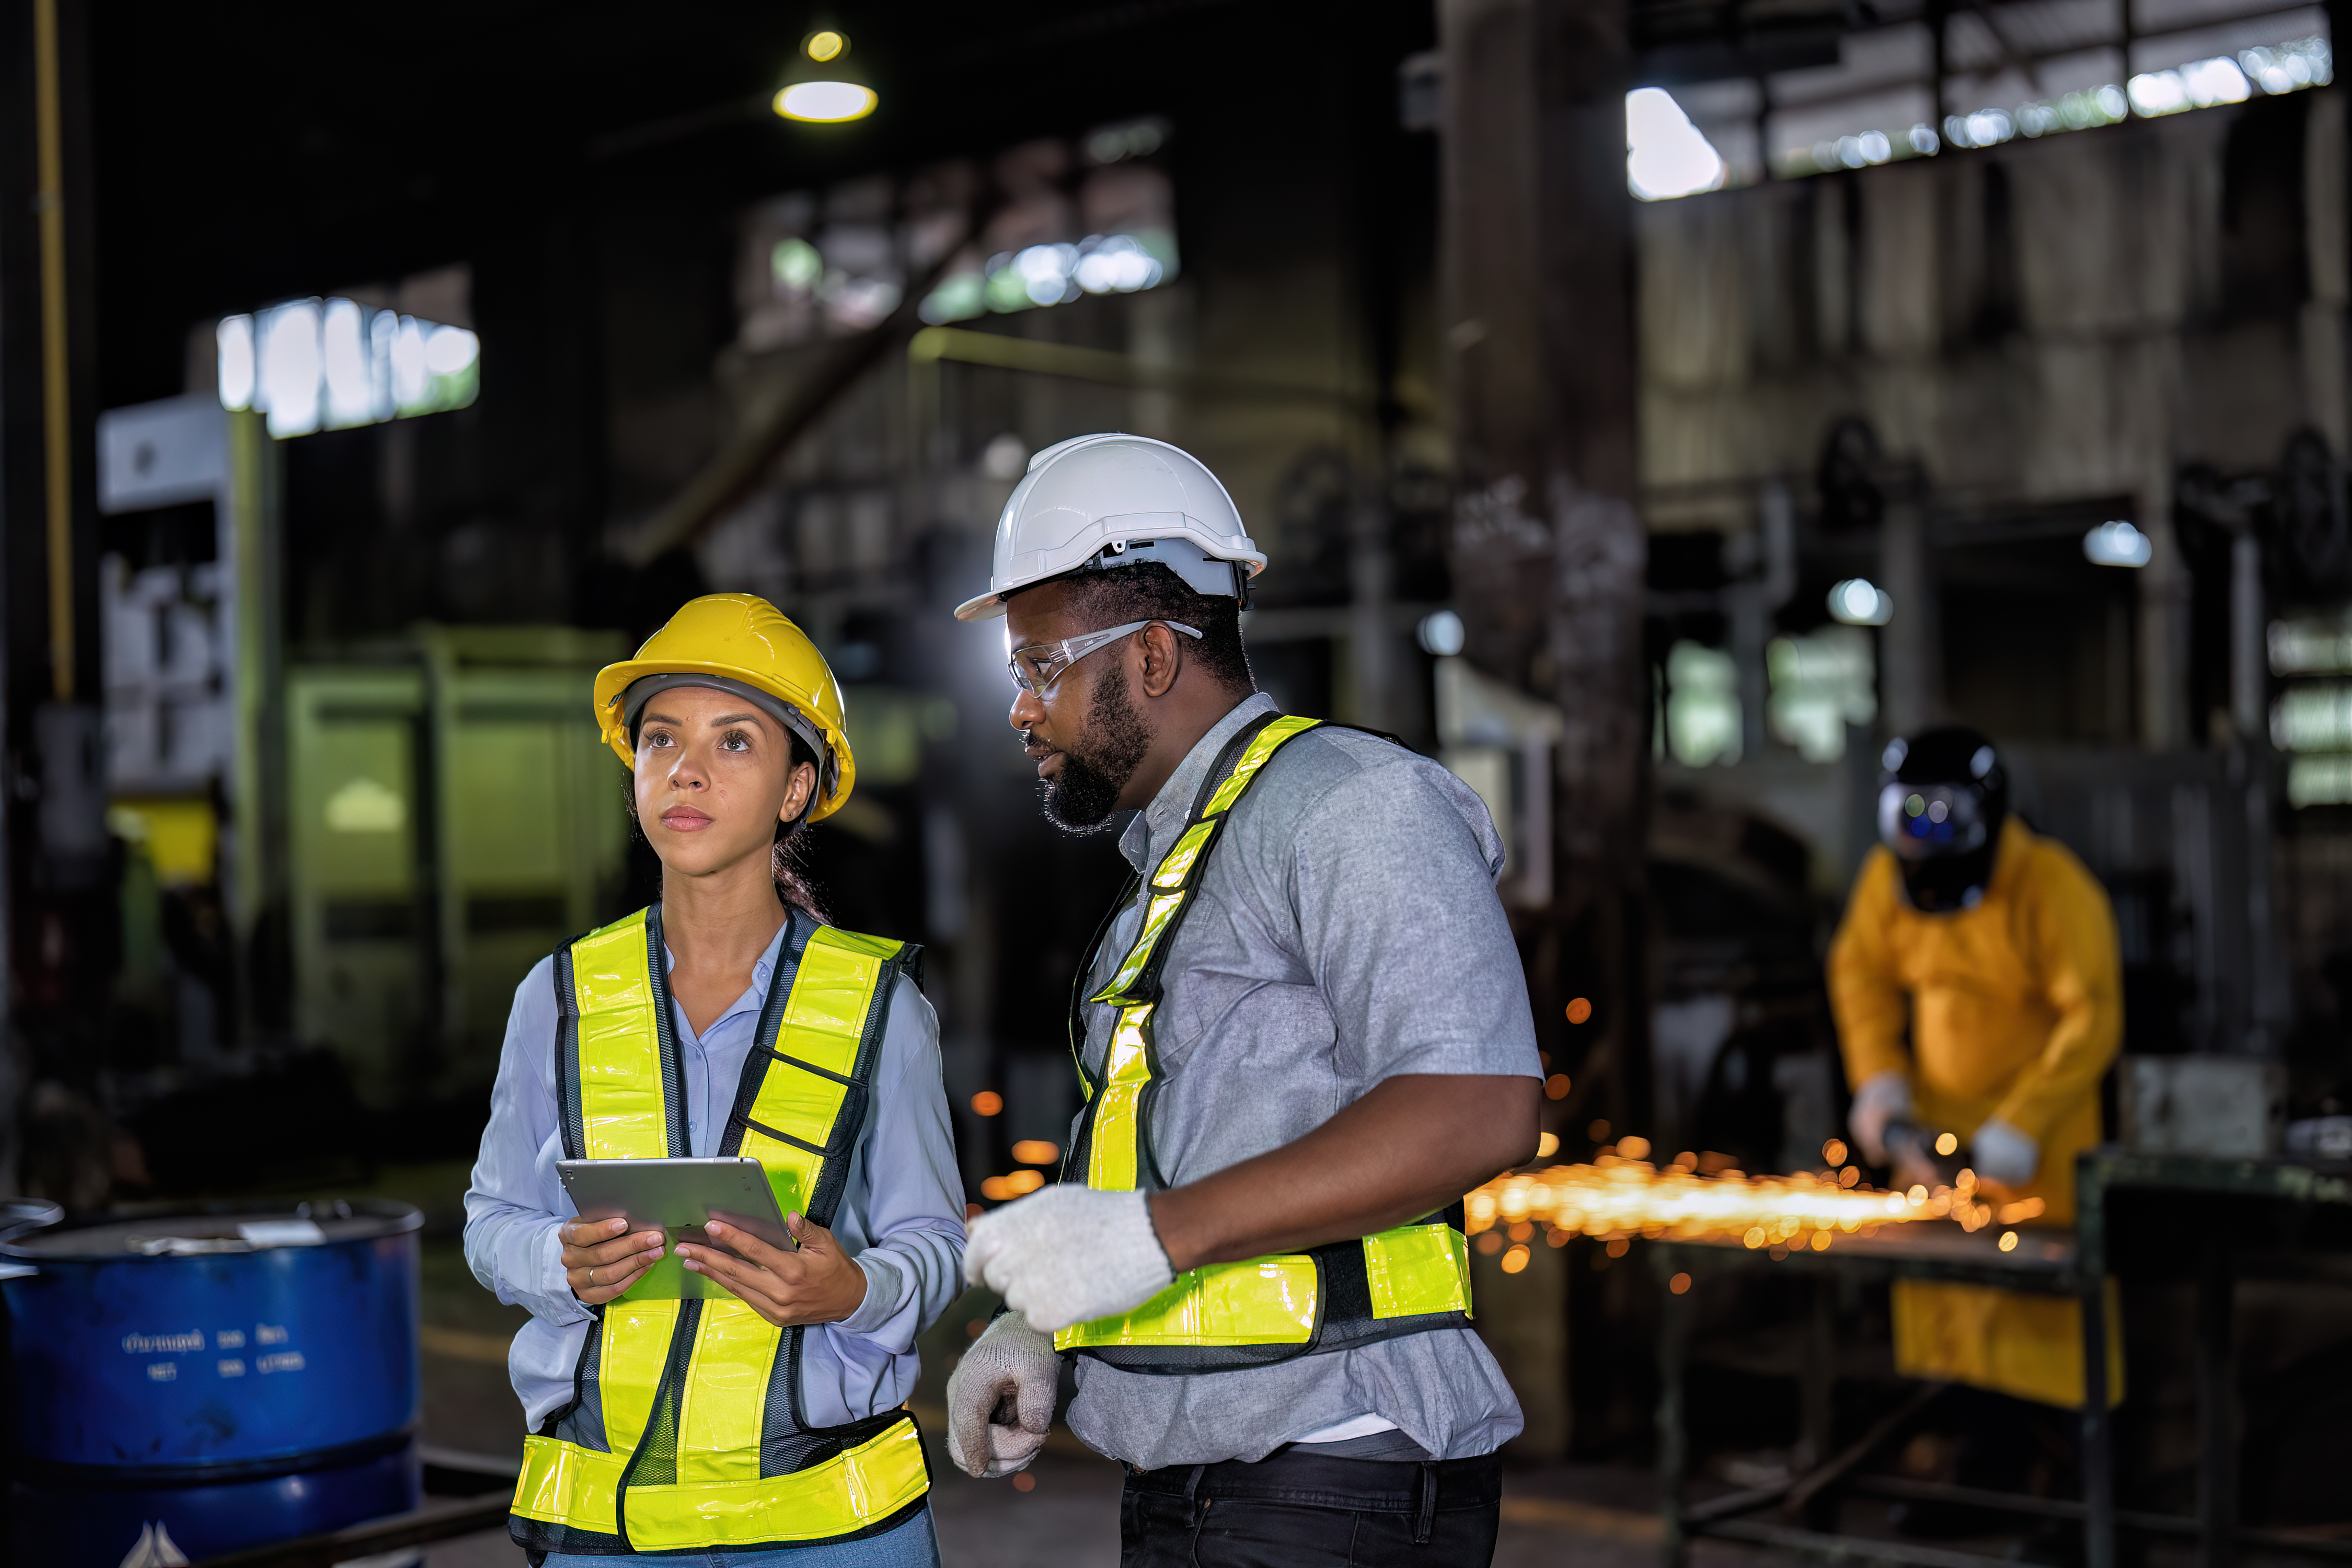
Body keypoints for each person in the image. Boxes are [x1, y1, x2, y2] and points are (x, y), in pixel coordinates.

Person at [942, 434, 1542, 1566]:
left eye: (1040, 668)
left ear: (1155, 657)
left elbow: (1479, 1108)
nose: (1023, 711)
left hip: (1338, 1467)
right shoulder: (1177, 866)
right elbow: (1176, 1149)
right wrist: (1044, 1327)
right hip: (1204, 1475)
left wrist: (1152, 1236)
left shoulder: (1351, 808)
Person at [464, 594, 964, 1565]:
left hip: (830, 1531)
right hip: (607, 1534)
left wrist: (853, 1289)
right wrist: (557, 1266)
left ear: (796, 789)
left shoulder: (878, 1009)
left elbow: (935, 1245)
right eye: (660, 739)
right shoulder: (558, 998)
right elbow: (490, 1221)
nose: (685, 769)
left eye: (734, 742)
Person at [1828, 724, 2123, 1523]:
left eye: (1943, 817)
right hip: (1936, 1148)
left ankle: (2079, 1514)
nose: (1923, 836)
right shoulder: (1887, 884)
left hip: (2043, 1146)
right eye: (1908, 817)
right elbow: (1859, 974)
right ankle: (1985, 1484)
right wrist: (1881, 1087)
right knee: (1959, 1325)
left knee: (2056, 1336)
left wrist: (2020, 1127)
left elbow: (2092, 1018)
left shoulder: (2053, 888)